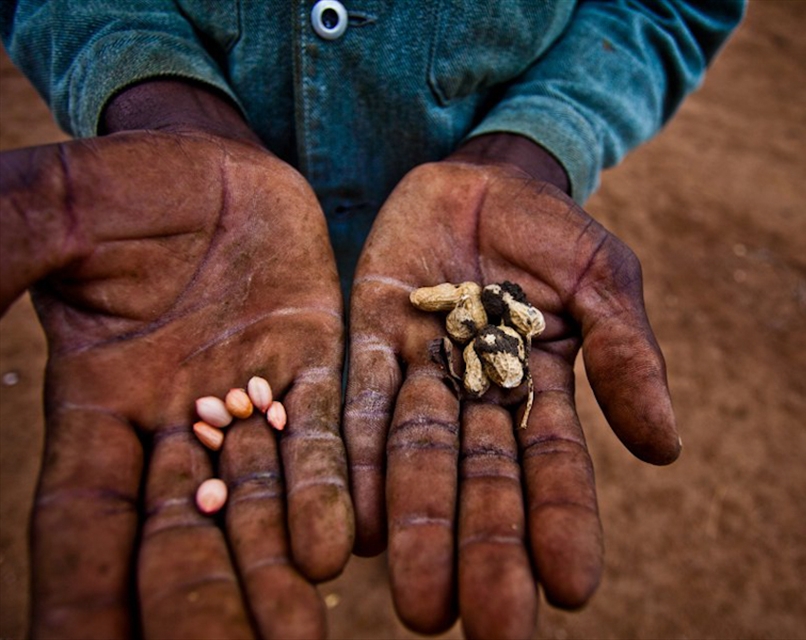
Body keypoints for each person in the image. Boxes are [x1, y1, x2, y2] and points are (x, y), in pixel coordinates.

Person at [0, 1, 744, 638]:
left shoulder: (470, 310)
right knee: (325, 433)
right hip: (227, 279)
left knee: (395, 432)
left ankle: (374, 493)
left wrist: (537, 142)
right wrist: (156, 99)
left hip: (449, 244)